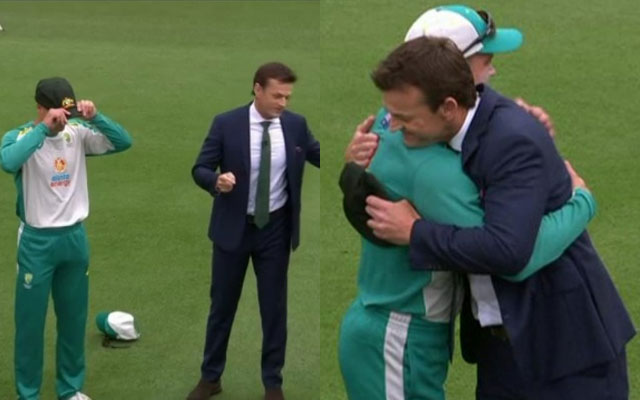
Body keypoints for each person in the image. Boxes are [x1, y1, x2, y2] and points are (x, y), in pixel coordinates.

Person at [365, 37, 634, 399]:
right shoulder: (444, 125)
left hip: (566, 349)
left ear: (447, 107)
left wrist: (415, 232)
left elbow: (509, 252)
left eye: (404, 118)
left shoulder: (511, 139)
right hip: (501, 348)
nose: (392, 127)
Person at [188, 62, 320, 400]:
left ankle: (272, 383)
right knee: (222, 307)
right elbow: (200, 167)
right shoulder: (226, 123)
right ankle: (210, 377)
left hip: (275, 229)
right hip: (233, 229)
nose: (283, 103)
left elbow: (320, 154)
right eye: (277, 95)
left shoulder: (295, 126)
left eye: (288, 96)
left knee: (274, 309)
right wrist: (215, 181)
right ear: (257, 89)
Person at [0, 77, 133, 400]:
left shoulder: (77, 132)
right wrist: (44, 129)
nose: (63, 121)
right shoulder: (21, 136)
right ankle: (27, 394)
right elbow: (8, 162)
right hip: (36, 243)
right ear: (41, 108)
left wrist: (95, 117)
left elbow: (123, 141)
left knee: (73, 320)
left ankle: (70, 390)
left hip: (74, 240)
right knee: (30, 325)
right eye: (57, 114)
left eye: (67, 113)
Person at [346, 5, 555, 168]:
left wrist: (525, 134)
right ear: (453, 67)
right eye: (486, 61)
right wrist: (578, 201)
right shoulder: (425, 148)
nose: (492, 71)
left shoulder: (395, 118)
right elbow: (507, 221)